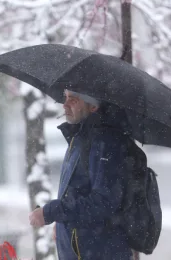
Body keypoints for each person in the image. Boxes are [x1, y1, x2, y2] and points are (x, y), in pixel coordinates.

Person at [28, 89, 133, 260]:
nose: (65, 104)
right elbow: (77, 191)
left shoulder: (104, 142)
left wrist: (52, 212)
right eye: (66, 97)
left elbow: (103, 202)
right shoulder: (80, 137)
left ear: (92, 106)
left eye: (73, 100)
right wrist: (62, 225)